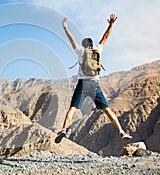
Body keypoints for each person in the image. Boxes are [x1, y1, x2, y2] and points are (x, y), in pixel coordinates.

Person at [55, 14, 132, 144]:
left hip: (82, 84)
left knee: (73, 108)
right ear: (92, 45)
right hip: (94, 84)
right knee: (106, 109)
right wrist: (111, 25)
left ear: (84, 45)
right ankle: (121, 131)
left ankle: (63, 129)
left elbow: (71, 39)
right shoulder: (97, 50)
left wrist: (65, 28)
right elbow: (105, 37)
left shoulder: (80, 51)